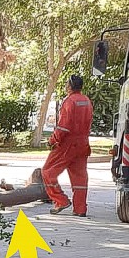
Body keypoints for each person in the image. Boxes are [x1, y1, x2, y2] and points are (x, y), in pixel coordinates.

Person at [41, 75, 94, 216]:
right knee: (80, 178)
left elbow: (64, 126)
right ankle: (80, 209)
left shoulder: (70, 101)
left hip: (68, 144)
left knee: (47, 171)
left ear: (70, 86)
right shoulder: (86, 101)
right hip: (83, 144)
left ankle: (61, 200)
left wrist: (52, 140)